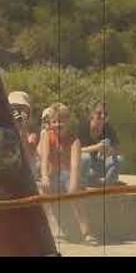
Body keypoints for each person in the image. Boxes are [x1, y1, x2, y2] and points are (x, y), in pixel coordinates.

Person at [38, 103, 93, 243]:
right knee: (44, 190)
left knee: (75, 195)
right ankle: (55, 228)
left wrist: (73, 186)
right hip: (53, 174)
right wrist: (44, 176)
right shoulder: (47, 136)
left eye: (61, 121)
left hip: (68, 174)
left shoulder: (74, 140)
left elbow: (75, 166)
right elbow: (44, 158)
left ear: (68, 121)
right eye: (54, 122)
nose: (57, 124)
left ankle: (86, 231)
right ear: (50, 123)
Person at [78, 101, 123, 186]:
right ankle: (82, 184)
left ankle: (107, 185)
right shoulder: (83, 127)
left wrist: (110, 151)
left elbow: (118, 149)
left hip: (99, 164)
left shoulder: (109, 129)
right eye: (99, 113)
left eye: (105, 114)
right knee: (85, 158)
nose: (102, 116)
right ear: (92, 114)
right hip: (84, 166)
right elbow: (75, 151)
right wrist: (97, 147)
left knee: (119, 159)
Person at [8, 91, 40, 180]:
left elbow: (27, 153)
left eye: (21, 108)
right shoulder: (4, 131)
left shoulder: (33, 132)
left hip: (29, 174)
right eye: (14, 108)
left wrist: (22, 127)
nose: (17, 112)